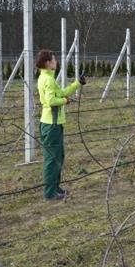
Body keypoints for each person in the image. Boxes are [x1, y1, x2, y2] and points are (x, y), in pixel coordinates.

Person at [36, 49, 85, 200]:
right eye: (54, 59)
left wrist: (78, 83)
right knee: (52, 159)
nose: (56, 62)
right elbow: (52, 101)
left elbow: (62, 92)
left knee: (58, 156)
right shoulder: (48, 80)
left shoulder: (47, 77)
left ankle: (55, 188)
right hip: (52, 124)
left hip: (53, 123)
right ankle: (50, 193)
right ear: (47, 63)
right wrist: (65, 101)